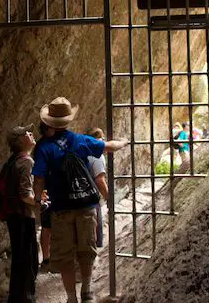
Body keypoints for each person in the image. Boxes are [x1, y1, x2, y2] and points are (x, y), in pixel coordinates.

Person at [32, 97, 129, 303]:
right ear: (68, 120)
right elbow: (108, 146)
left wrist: (38, 203)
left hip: (60, 209)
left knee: (66, 255)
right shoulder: (80, 140)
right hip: (86, 205)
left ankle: (70, 298)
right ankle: (87, 290)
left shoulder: (43, 147)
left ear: (49, 122)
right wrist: (124, 141)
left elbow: (39, 178)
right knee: (87, 248)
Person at [5, 124, 42, 303]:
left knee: (19, 260)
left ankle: (16, 298)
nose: (31, 134)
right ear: (21, 140)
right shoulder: (27, 161)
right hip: (23, 216)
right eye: (27, 133)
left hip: (14, 216)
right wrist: (39, 202)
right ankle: (26, 299)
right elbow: (25, 194)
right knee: (29, 261)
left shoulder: (12, 160)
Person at [85, 127, 107, 248]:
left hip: (80, 194)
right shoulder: (97, 156)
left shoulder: (82, 151)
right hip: (92, 195)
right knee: (94, 229)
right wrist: (108, 196)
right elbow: (100, 179)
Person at [38, 122, 55, 272]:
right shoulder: (43, 146)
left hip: (51, 190)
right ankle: (47, 259)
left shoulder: (41, 145)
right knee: (48, 226)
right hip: (48, 191)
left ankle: (49, 259)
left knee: (48, 227)